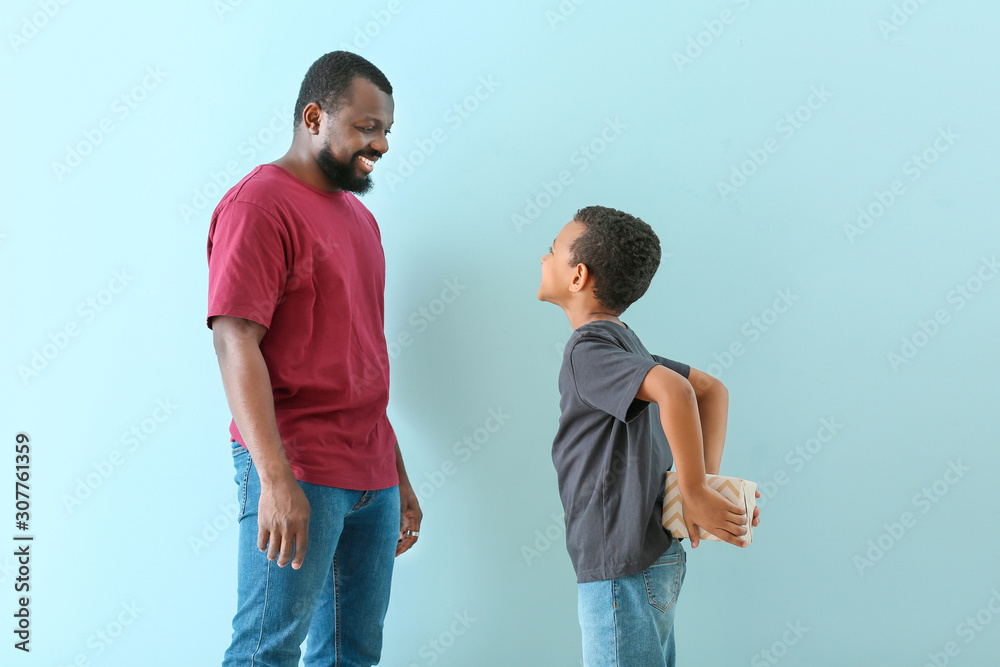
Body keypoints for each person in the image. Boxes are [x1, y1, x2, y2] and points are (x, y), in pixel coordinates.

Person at [206, 51, 421, 667]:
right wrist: (275, 479)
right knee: (266, 651)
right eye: (365, 126)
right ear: (313, 117)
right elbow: (234, 339)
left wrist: (397, 474)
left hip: (372, 476)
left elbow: (361, 361)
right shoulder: (259, 204)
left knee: (354, 655)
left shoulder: (362, 220)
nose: (379, 143)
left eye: (385, 130)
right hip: (297, 466)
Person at [537, 205, 761, 666]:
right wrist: (697, 490)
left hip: (618, 561)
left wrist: (696, 488)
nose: (542, 259)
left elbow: (679, 390)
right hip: (651, 557)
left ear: (577, 276)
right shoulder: (624, 340)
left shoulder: (588, 348)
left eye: (551, 251)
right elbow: (710, 390)